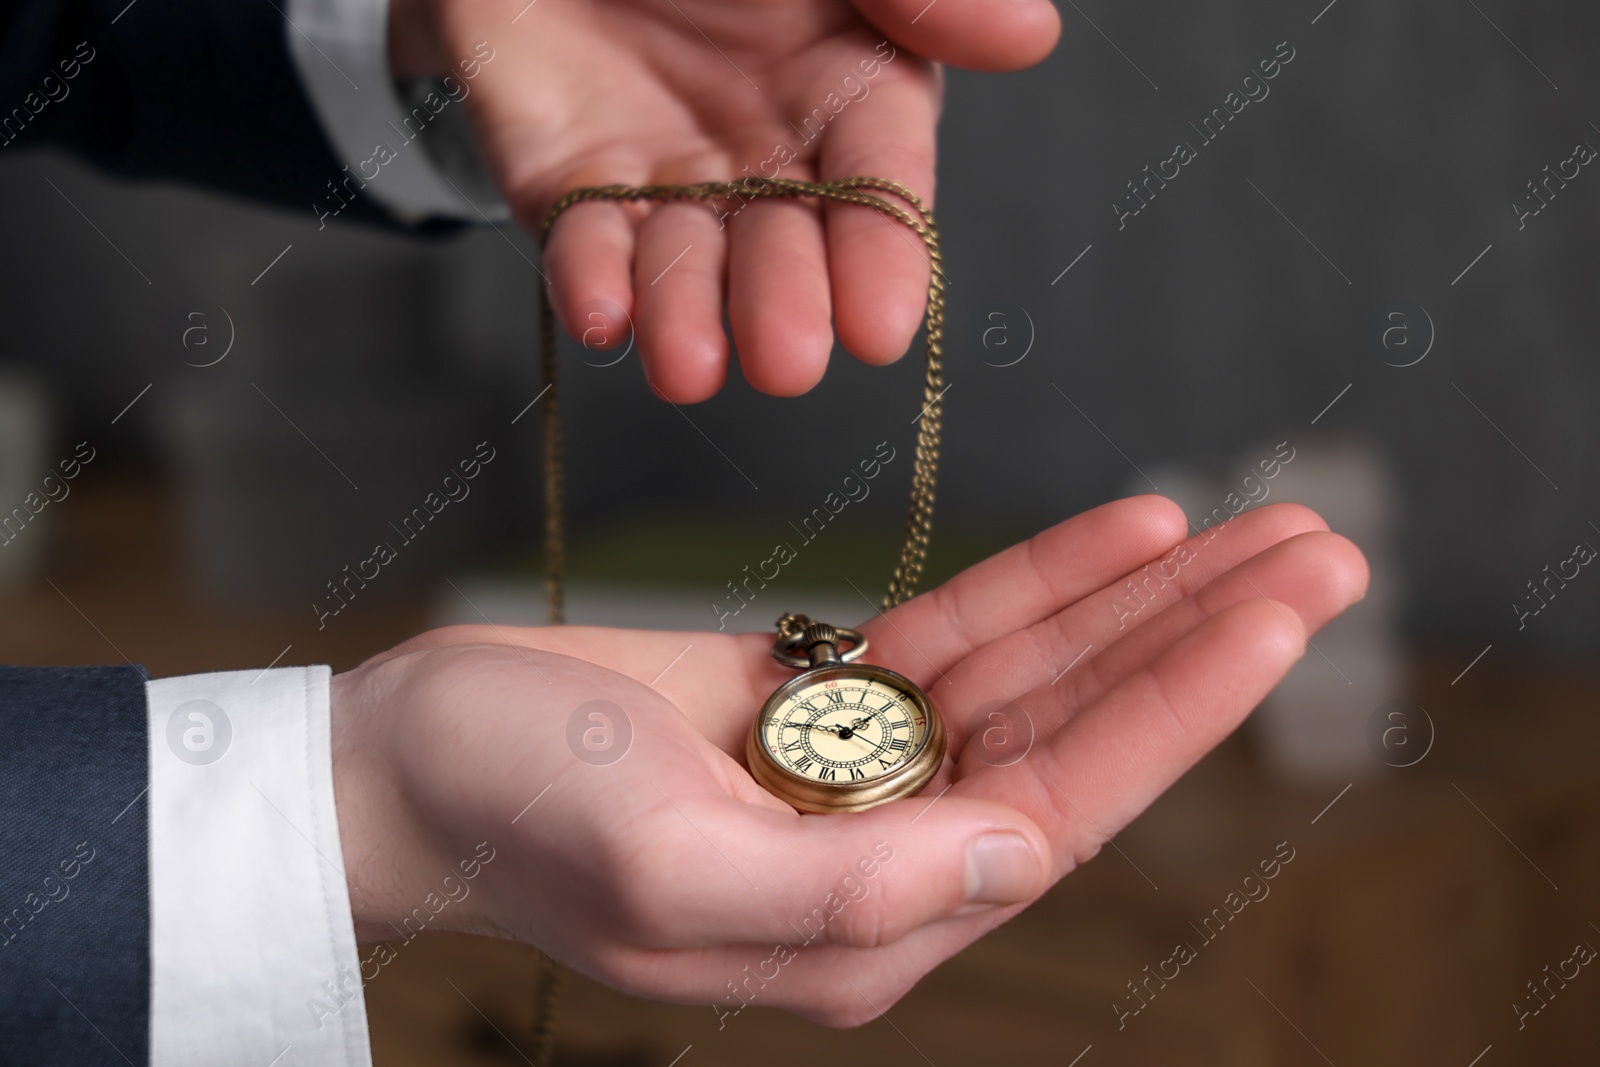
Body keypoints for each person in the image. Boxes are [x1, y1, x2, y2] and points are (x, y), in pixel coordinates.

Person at [3, 496, 1368, 1064]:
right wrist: (367, 789)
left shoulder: (844, 701)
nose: (843, 733)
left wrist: (357, 781)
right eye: (839, 727)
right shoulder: (834, 703)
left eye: (852, 730)